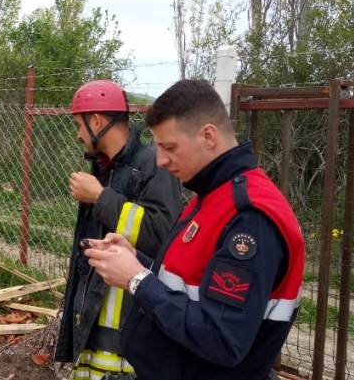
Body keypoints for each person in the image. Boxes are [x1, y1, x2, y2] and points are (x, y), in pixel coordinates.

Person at [83, 79, 305, 380]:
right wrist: (137, 261)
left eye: (169, 147)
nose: (160, 160)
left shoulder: (249, 218)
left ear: (208, 136)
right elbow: (192, 285)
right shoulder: (210, 195)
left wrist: (137, 280)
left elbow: (222, 338)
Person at [55, 79, 183, 380]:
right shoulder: (104, 167)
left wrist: (101, 198)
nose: (78, 134)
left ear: (96, 120)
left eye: (79, 124)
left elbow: (162, 234)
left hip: (128, 330)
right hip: (95, 322)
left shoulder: (153, 164)